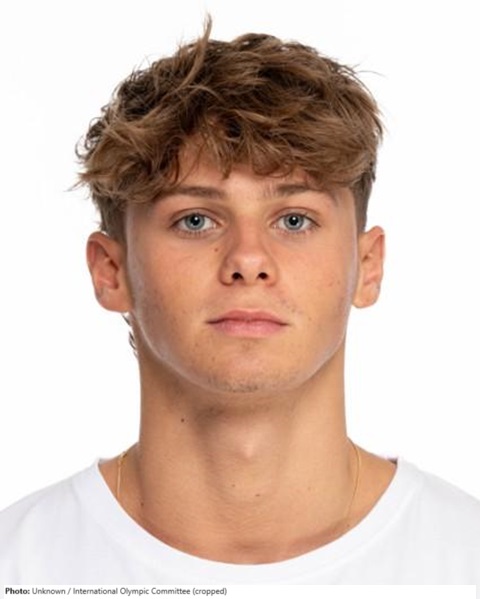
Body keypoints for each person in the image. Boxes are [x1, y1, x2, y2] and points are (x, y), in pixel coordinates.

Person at [1, 20, 479, 585]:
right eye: (195, 220)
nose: (248, 259)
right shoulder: (17, 565)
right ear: (111, 271)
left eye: (295, 220)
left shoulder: (464, 560)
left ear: (367, 266)